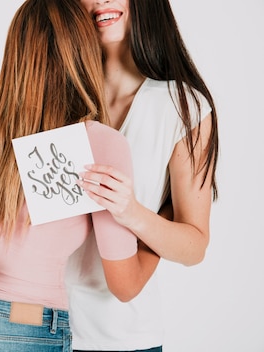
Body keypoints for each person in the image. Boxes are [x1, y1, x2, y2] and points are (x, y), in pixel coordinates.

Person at [0, 0, 159, 351]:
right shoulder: (101, 144)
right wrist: (160, 219)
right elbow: (124, 285)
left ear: (14, 53)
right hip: (25, 327)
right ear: (82, 52)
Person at [67, 0, 220, 351]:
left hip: (122, 338)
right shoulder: (58, 94)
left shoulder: (183, 106)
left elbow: (195, 246)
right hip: (33, 328)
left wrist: (130, 212)